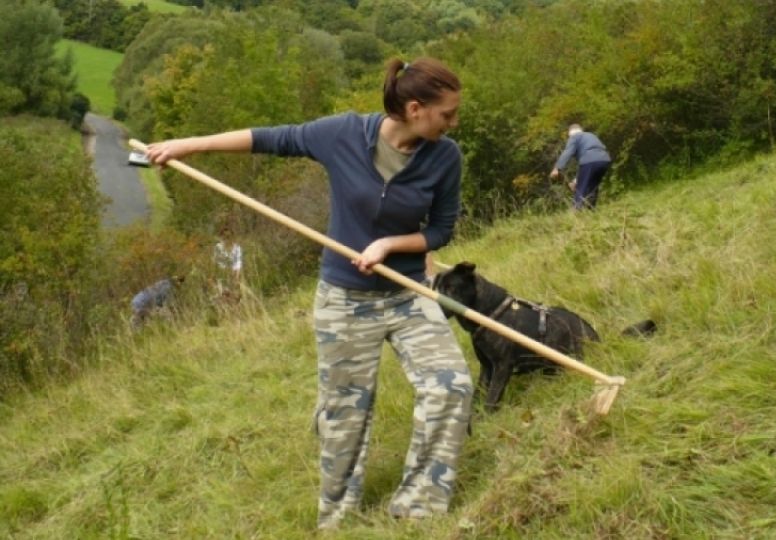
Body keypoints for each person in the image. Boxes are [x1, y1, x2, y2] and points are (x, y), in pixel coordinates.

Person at [144, 57, 474, 529]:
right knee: (344, 415)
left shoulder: (445, 157)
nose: (454, 122)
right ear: (416, 108)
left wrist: (388, 244)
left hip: (407, 295)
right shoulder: (343, 134)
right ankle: (337, 519)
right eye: (448, 114)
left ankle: (418, 509)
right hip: (345, 301)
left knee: (451, 387)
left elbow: (440, 229)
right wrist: (189, 146)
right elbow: (269, 138)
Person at [549, 123, 612, 210]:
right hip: (604, 160)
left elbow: (567, 152)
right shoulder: (591, 135)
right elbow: (586, 169)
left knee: (580, 190)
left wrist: (557, 168)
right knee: (592, 187)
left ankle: (576, 211)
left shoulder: (575, 137)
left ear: (570, 133)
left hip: (590, 160)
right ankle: (591, 211)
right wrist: (576, 181)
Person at [213, 226, 243, 296]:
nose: (226, 238)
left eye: (228, 236)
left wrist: (236, 278)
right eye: (224, 236)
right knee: (221, 295)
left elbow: (238, 263)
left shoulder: (237, 248)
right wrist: (213, 276)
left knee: (232, 295)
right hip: (221, 275)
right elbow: (215, 261)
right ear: (221, 237)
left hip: (232, 275)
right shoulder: (218, 247)